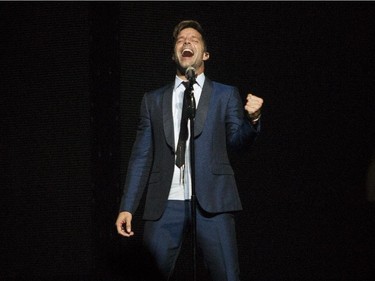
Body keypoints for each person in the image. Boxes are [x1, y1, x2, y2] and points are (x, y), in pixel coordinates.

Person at [115, 20, 263, 281]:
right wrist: (128, 206)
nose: (186, 42)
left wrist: (252, 121)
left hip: (213, 203)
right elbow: (141, 156)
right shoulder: (153, 100)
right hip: (165, 204)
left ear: (205, 54)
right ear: (174, 53)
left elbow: (238, 143)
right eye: (181, 39)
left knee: (227, 276)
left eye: (194, 39)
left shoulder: (225, 95)